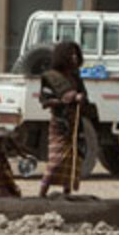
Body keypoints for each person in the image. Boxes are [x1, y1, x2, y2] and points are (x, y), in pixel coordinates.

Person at [37, 40, 88, 198]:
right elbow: (45, 101)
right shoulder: (50, 77)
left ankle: (67, 194)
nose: (74, 57)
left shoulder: (75, 76)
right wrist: (66, 100)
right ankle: (41, 194)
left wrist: (81, 99)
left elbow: (84, 95)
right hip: (60, 123)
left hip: (75, 123)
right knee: (56, 161)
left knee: (73, 160)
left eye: (75, 54)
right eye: (70, 54)